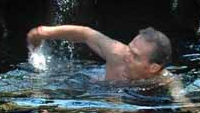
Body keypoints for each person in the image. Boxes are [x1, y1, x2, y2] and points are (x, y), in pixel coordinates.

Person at [26, 25, 172, 82]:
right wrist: (44, 32)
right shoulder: (117, 53)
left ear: (153, 68)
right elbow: (85, 34)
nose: (127, 56)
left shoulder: (163, 80)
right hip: (95, 87)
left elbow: (180, 97)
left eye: (135, 56)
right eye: (129, 48)